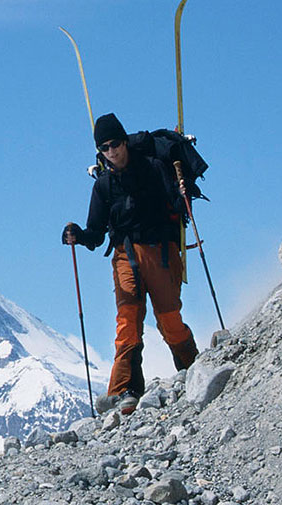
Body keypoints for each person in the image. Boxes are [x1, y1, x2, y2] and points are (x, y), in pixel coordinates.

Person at [62, 113, 198, 415]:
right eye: (105, 148)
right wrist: (77, 235)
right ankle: (124, 390)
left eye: (115, 145)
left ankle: (194, 368)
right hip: (126, 258)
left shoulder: (152, 169)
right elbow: (95, 234)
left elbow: (175, 204)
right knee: (128, 324)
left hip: (161, 253)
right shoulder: (104, 186)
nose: (112, 152)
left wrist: (183, 195)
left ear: (125, 142)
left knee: (170, 322)